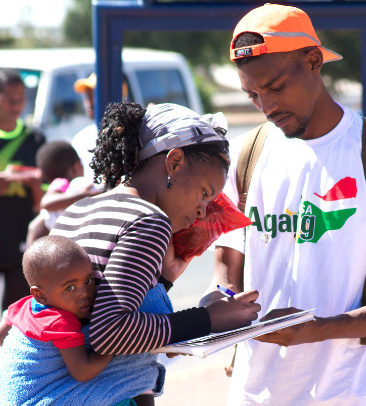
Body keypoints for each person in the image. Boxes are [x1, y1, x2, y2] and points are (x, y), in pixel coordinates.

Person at [199, 4, 366, 405]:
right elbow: (226, 273)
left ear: (314, 62)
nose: (266, 106)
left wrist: (315, 329)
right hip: (257, 392)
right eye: (252, 94)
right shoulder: (245, 155)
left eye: (275, 87)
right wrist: (213, 307)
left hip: (358, 392)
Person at [49, 102, 260, 405]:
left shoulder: (78, 209)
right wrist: (209, 318)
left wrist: (165, 280)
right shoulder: (149, 220)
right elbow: (110, 332)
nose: (202, 211)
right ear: (174, 162)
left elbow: (92, 307)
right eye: (204, 193)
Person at [0, 235, 152, 405]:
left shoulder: (23, 305)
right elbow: (83, 372)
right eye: (70, 287)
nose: (84, 293)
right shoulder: (60, 323)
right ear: (40, 295)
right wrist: (113, 346)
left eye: (88, 281)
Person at [0, 68, 46, 312]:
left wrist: (36, 185)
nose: (17, 104)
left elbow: (44, 202)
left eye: (22, 98)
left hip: (22, 243)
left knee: (14, 316)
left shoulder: (35, 139)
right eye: (9, 99)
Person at [26, 141, 101, 246]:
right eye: (81, 162)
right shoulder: (61, 183)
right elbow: (47, 202)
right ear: (74, 167)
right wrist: (85, 194)